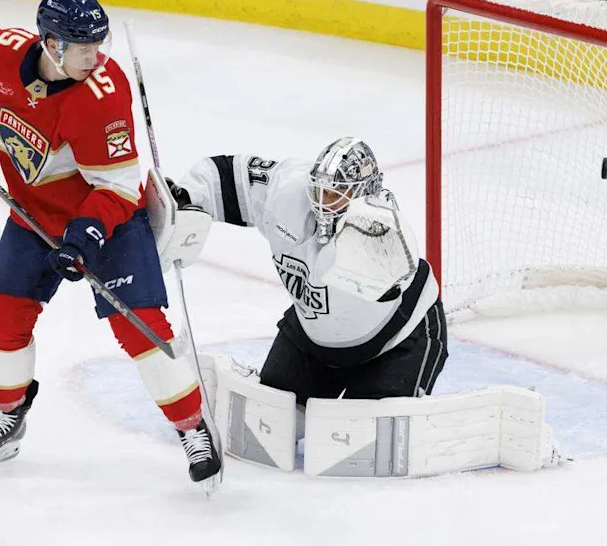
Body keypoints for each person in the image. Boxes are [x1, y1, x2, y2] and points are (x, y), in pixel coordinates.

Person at [0, 0, 220, 482]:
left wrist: (86, 233)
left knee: (140, 326)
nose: (96, 56)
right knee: (3, 317)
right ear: (51, 43)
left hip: (110, 219)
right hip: (33, 215)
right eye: (83, 47)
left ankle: (192, 425)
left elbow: (118, 187)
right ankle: (8, 416)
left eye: (99, 44)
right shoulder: (1, 52)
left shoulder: (102, 95)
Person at [169, 137, 447, 407]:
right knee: (270, 416)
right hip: (314, 334)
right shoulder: (289, 189)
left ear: (365, 193)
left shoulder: (380, 232)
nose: (323, 202)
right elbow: (229, 175)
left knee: (364, 431)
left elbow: (385, 280)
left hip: (397, 341)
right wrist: (187, 196)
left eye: (336, 195)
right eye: (320, 191)